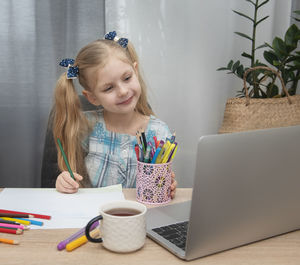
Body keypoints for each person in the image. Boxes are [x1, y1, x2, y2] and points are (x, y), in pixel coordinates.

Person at [53, 31, 177, 197]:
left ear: (135, 71)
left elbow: (164, 182)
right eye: (109, 88)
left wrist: (169, 186)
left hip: (144, 217)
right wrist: (64, 181)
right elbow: (74, 178)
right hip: (95, 217)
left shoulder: (159, 132)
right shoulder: (85, 127)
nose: (123, 91)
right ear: (93, 97)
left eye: (127, 78)